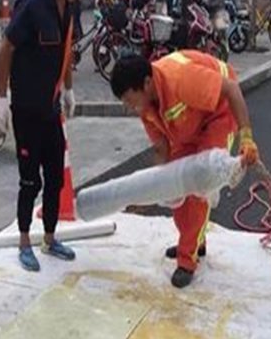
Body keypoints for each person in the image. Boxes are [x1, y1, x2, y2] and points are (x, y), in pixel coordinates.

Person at [109, 51, 259, 289]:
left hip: (218, 112)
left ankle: (187, 259)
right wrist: (151, 191)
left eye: (129, 99)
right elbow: (161, 150)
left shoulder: (180, 79)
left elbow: (231, 89)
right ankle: (194, 242)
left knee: (199, 185)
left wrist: (247, 137)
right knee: (178, 186)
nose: (129, 107)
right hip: (189, 126)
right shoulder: (147, 107)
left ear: (146, 84)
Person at [0, 0, 97, 273]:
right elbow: (6, 48)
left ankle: (50, 238)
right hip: (25, 108)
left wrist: (68, 88)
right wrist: (1, 97)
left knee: (55, 177)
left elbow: (65, 49)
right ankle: (25, 241)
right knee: (30, 180)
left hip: (51, 107)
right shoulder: (32, 2)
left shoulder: (67, 4)